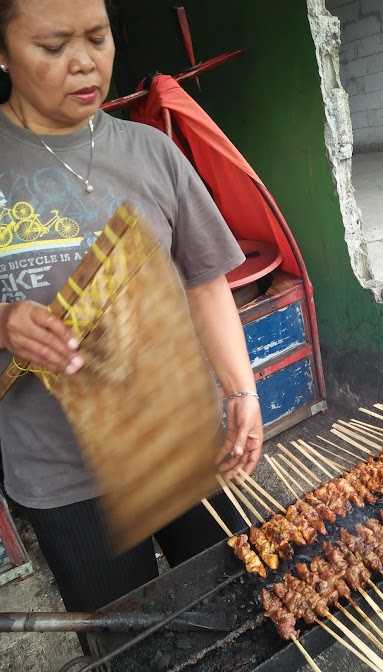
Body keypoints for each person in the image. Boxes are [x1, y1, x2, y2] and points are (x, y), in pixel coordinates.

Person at [0, 0, 263, 622]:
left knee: (231, 608)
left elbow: (203, 281)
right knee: (129, 642)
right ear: (3, 54)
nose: (85, 63)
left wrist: (240, 389)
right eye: (53, 46)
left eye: (98, 37)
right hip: (64, 474)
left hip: (183, 440)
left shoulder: (152, 151)